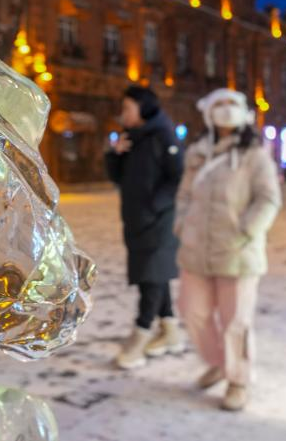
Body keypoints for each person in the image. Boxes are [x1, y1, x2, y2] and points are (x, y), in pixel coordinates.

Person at [175, 88, 282, 411]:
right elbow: (183, 194)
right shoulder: (197, 152)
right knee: (192, 311)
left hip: (238, 251)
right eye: (219, 104)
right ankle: (220, 362)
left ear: (243, 112)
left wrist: (247, 230)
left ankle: (238, 379)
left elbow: (269, 198)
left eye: (232, 104)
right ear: (208, 112)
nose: (225, 110)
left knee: (235, 319)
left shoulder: (254, 154)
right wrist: (181, 224)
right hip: (196, 249)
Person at [105, 86, 185, 369]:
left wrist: (154, 207)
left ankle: (140, 335)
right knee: (154, 274)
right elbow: (116, 177)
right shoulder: (132, 138)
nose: (123, 113)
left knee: (151, 278)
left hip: (158, 220)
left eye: (128, 107)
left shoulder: (163, 136)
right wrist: (115, 154)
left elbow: (176, 176)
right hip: (136, 219)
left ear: (143, 109)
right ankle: (171, 332)